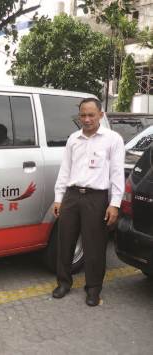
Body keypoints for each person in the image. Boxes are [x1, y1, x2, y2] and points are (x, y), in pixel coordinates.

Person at [52, 97, 125, 306]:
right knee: (65, 241)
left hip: (97, 198)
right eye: (83, 115)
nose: (86, 119)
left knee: (94, 246)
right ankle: (64, 282)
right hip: (72, 196)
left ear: (101, 115)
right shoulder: (73, 139)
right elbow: (64, 170)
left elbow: (117, 173)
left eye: (91, 115)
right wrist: (59, 198)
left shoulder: (113, 139)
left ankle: (93, 289)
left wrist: (115, 203)